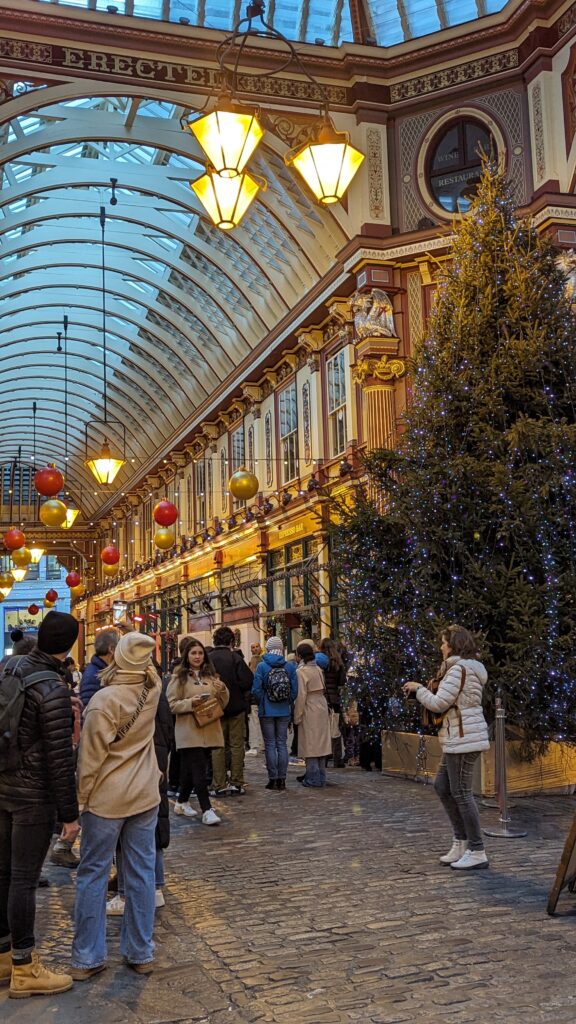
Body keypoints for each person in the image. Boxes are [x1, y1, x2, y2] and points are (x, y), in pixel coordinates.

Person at [71, 632, 161, 979]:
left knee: (92, 874)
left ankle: (88, 956)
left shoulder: (104, 701)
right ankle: (141, 950)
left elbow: (91, 760)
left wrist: (79, 801)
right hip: (144, 793)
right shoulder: (151, 689)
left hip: (107, 799)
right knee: (140, 873)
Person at [0, 611, 80, 998]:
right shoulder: (52, 687)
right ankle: (25, 967)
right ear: (68, 646)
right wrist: (69, 815)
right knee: (23, 879)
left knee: (2, 873)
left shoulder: (9, 667)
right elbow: (59, 760)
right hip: (33, 798)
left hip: (2, 785)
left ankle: (2, 954)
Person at [402, 623, 490, 871]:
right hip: (458, 738)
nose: (440, 646)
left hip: (464, 739)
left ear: (453, 645)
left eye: (443, 642)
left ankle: (476, 848)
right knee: (442, 785)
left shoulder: (459, 670)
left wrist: (418, 689)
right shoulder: (463, 669)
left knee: (461, 792)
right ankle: (461, 841)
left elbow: (440, 703)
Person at [107, 678, 175, 915]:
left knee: (126, 828)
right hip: (155, 758)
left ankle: (128, 893)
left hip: (130, 763)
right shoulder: (156, 689)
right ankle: (155, 886)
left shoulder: (116, 692)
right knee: (152, 823)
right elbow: (168, 727)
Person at [167, 637, 228, 825]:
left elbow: (222, 703)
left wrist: (223, 690)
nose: (197, 656)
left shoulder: (211, 677)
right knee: (199, 769)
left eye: (200, 653)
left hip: (208, 728)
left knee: (189, 769)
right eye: (193, 653)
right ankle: (207, 809)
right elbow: (172, 705)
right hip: (188, 730)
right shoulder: (179, 677)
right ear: (187, 655)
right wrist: (190, 703)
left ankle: (182, 801)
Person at [209, 627, 253, 795]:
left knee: (217, 746)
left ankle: (218, 783)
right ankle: (237, 781)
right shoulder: (235, 658)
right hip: (236, 707)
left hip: (215, 709)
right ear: (231, 641)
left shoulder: (209, 658)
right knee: (236, 745)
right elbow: (248, 681)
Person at [252, 637, 298, 791]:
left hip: (267, 710)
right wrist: (287, 701)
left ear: (268, 648)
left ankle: (273, 779)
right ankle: (282, 779)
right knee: (282, 744)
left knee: (270, 744)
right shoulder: (290, 667)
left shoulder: (262, 666)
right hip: (284, 710)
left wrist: (262, 702)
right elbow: (294, 690)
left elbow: (256, 690)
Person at [294, 642, 332, 788]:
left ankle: (312, 778)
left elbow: (301, 695)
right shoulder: (318, 669)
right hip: (321, 705)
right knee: (321, 744)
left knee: (310, 745)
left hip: (310, 706)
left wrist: (297, 716)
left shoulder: (301, 672)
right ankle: (321, 776)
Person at [318, 638, 347, 767]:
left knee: (323, 730)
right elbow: (342, 682)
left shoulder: (319, 661)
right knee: (335, 729)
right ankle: (337, 759)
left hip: (322, 698)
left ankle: (323, 758)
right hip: (335, 699)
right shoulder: (338, 662)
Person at [79, 628, 119, 706]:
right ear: (111, 649)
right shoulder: (93, 675)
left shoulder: (103, 669)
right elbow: (89, 709)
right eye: (119, 646)